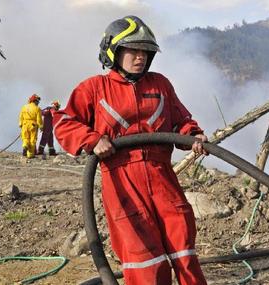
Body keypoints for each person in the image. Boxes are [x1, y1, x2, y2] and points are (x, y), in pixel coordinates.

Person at [53, 16, 208, 285]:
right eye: (133, 51)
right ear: (113, 51)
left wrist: (192, 136)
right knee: (144, 259)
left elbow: (180, 121)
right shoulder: (94, 88)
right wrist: (91, 139)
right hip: (122, 183)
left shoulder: (160, 84)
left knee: (184, 250)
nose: (140, 57)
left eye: (145, 52)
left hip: (162, 178)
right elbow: (65, 123)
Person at [19, 94, 43, 159]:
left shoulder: (24, 107)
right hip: (33, 125)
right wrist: (41, 126)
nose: (38, 103)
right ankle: (30, 154)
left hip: (25, 124)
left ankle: (25, 146)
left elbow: (21, 116)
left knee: (25, 138)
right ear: (35, 101)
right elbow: (39, 119)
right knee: (32, 140)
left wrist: (21, 124)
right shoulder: (37, 109)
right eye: (37, 101)